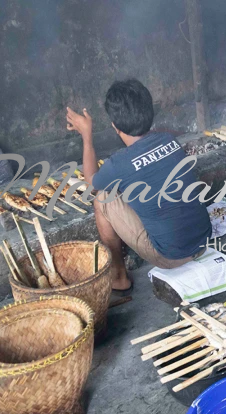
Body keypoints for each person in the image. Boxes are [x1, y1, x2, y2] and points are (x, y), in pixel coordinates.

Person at [66, 79, 211, 295]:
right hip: (203, 239)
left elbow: (91, 183)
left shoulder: (119, 163)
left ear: (115, 126)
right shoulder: (169, 140)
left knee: (103, 198)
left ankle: (119, 277)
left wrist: (87, 136)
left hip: (170, 256)